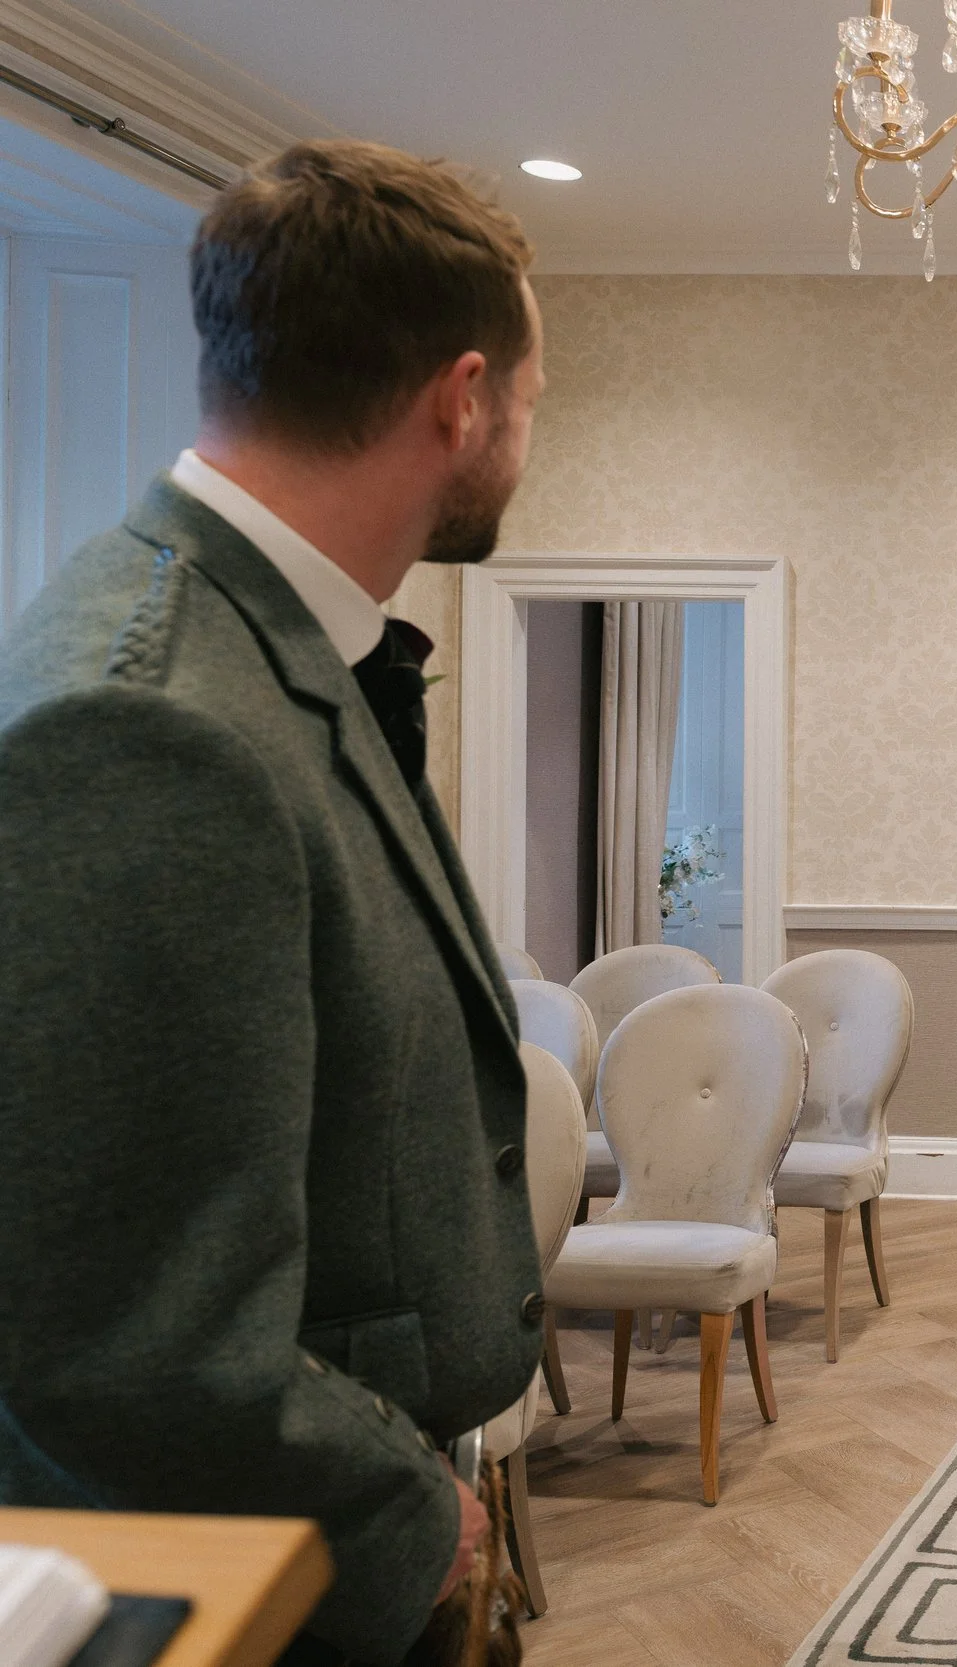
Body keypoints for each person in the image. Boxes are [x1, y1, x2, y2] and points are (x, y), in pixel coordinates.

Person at [0, 141, 548, 1663]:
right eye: (529, 399)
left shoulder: (278, 650)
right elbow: (125, 1333)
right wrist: (406, 1506)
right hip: (278, 1580)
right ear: (461, 397)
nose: (522, 432)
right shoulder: (151, 715)